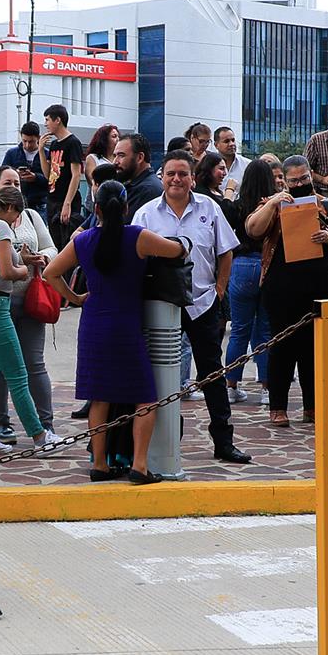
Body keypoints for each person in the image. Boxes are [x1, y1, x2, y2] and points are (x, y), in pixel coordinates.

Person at [44, 179, 186, 481]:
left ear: (95, 208)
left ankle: (100, 464)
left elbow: (49, 272)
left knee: (99, 397)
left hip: (94, 323)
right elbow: (176, 251)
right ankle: (139, 465)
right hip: (126, 325)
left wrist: (76, 298)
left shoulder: (82, 240)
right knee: (145, 397)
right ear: (125, 208)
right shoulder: (139, 237)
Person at [134, 150, 247, 464]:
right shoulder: (145, 214)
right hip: (160, 307)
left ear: (193, 178)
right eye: (171, 173)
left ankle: (223, 440)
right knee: (161, 377)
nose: (176, 179)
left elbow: (226, 251)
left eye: (183, 173)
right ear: (162, 176)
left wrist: (220, 289)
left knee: (211, 373)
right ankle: (169, 440)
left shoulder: (209, 208)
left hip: (203, 304)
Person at [248, 156, 328, 425]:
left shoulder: (325, 205)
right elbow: (253, 229)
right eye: (294, 181)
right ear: (284, 181)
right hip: (281, 286)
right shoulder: (273, 203)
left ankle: (312, 405)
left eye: (305, 180)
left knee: (313, 348)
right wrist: (276, 202)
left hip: (319, 283)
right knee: (281, 347)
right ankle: (278, 406)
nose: (300, 184)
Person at [0, 186, 52, 456]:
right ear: (10, 208)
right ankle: (39, 436)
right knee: (18, 374)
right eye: (17, 213)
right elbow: (7, 271)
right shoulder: (2, 227)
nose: (17, 219)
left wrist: (21, 258)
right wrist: (25, 268)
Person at [0, 167, 57, 445]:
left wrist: (41, 256)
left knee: (34, 362)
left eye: (17, 183)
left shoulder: (30, 216)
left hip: (31, 300)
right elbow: (1, 267)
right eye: (8, 183)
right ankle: (2, 424)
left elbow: (52, 247)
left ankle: (46, 422)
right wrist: (19, 262)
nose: (14, 186)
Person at [222, 155, 275, 402]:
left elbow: (224, 213)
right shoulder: (274, 205)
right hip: (267, 266)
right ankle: (267, 388)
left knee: (239, 332)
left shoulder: (239, 205)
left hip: (241, 266)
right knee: (264, 330)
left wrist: (229, 190)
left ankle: (231, 387)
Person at [41, 104, 86, 247]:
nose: (45, 124)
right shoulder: (54, 144)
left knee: (67, 241)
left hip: (67, 200)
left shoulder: (73, 143)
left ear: (57, 120)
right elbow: (48, 174)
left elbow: (76, 175)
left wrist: (67, 204)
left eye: (48, 119)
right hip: (52, 198)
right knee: (55, 242)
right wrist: (41, 151)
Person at [0, 122, 48, 218]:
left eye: (31, 142)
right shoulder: (12, 153)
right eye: (24, 141)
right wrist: (15, 174)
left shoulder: (46, 154)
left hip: (40, 202)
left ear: (38, 138)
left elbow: (51, 179)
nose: (27, 145)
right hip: (16, 202)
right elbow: (2, 174)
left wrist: (36, 177)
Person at [113, 132, 163, 209]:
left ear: (140, 158)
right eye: (114, 156)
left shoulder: (147, 190)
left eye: (121, 155)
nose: (115, 162)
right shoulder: (135, 185)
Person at [84, 125, 119, 216]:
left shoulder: (118, 159)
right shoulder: (93, 158)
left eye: (118, 136)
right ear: (104, 139)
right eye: (114, 136)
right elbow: (92, 180)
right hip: (95, 206)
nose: (118, 139)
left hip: (115, 204)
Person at [213, 126, 247, 200]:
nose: (231, 144)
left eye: (233, 140)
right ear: (216, 145)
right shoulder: (210, 166)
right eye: (226, 141)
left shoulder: (247, 164)